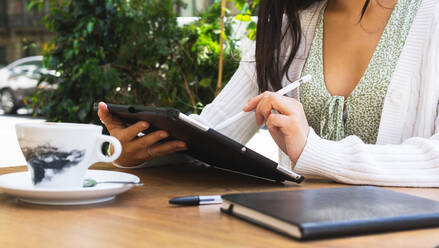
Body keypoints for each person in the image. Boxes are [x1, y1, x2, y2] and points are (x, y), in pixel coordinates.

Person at [98, 0, 439, 187]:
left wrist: (315, 151)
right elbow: (214, 133)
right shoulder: (290, 21)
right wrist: (140, 150)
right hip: (297, 231)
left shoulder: (430, 16)